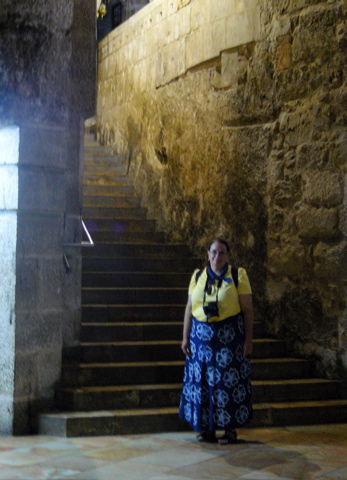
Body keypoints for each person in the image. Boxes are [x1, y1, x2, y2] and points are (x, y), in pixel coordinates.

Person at [178, 238, 254, 445]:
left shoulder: (238, 275)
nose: (217, 257)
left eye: (221, 253)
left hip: (229, 338)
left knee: (228, 382)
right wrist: (185, 337)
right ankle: (206, 429)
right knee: (202, 383)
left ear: (227, 255)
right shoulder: (197, 276)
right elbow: (189, 307)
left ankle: (229, 430)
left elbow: (247, 309)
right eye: (213, 252)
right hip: (200, 339)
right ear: (207, 254)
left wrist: (248, 339)